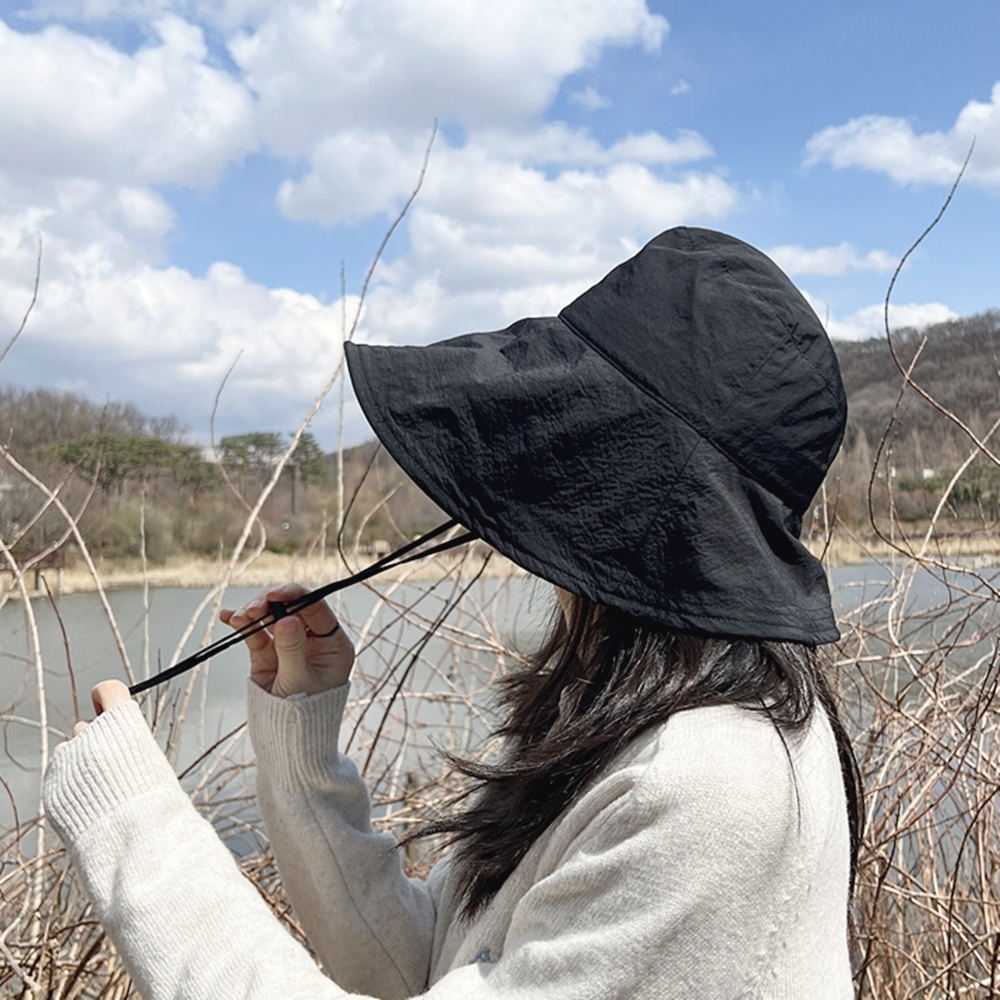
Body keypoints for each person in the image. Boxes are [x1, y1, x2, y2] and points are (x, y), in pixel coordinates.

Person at [44, 227, 862, 999]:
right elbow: (419, 965)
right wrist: (303, 745)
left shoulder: (712, 783)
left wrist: (135, 827)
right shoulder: (622, 716)